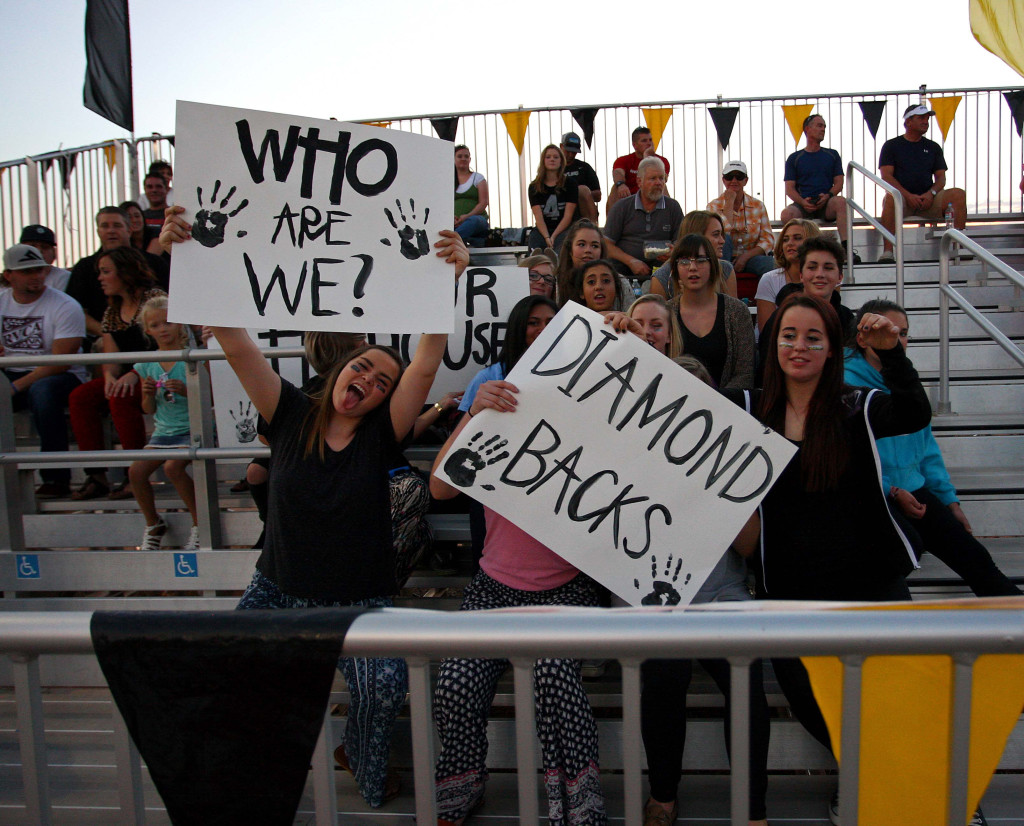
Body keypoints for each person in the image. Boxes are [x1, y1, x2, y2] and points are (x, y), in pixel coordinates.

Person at [162, 204, 469, 809]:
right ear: (337, 372)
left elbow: (429, 356)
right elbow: (232, 337)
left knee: (383, 691)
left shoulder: (384, 433)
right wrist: (187, 254)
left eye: (385, 381)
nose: (373, 380)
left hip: (359, 598)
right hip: (276, 589)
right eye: (364, 367)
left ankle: (363, 760)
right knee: (233, 686)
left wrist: (447, 280)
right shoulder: (288, 413)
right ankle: (241, 784)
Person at [725, 293, 932, 824]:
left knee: (897, 701)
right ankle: (866, 774)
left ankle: (931, 794)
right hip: (790, 593)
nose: (799, 346)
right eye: (788, 335)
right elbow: (664, 411)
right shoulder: (745, 408)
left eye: (813, 337)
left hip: (870, 584)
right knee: (815, 706)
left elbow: (914, 410)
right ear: (773, 345)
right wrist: (627, 341)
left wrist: (892, 353)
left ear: (831, 348)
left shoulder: (854, 404)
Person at [430, 293, 607, 826]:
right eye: (532, 323)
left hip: (565, 589)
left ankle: (576, 808)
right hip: (492, 587)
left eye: (552, 325)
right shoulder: (497, 395)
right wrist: (474, 413)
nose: (541, 330)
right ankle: (460, 790)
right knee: (454, 687)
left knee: (557, 687)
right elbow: (439, 489)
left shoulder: (592, 404)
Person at [641, 352, 769, 826]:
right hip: (657, 601)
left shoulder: (731, 461)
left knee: (746, 678)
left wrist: (715, 488)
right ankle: (664, 794)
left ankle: (752, 808)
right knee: (662, 677)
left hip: (723, 595)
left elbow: (751, 543)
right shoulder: (634, 459)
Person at [844, 299, 1021, 598]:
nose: (897, 339)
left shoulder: (907, 383)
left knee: (976, 559)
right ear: (862, 337)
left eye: (903, 333)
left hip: (916, 492)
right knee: (893, 568)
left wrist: (949, 500)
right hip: (874, 498)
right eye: (887, 330)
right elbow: (848, 457)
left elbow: (927, 449)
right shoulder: (845, 384)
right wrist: (893, 491)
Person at [68, 247, 166, 501]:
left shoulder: (154, 299)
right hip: (129, 376)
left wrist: (136, 372)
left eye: (106, 272)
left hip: (159, 373)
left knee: (121, 398)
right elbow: (111, 357)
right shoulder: (113, 309)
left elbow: (168, 347)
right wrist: (109, 375)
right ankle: (96, 475)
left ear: (125, 272)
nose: (100, 278)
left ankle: (135, 474)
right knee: (82, 397)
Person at [0, 244, 88, 499]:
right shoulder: (2, 301)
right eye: (28, 271)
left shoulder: (65, 305)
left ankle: (56, 478)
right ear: (9, 275)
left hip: (60, 375)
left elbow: (61, 361)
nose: (37, 276)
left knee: (43, 393)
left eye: (40, 270)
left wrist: (15, 386)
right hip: (11, 372)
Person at [129, 295, 200, 551]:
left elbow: (208, 398)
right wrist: (147, 394)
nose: (163, 329)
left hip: (193, 429)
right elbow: (146, 408)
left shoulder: (192, 357)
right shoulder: (146, 364)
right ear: (148, 330)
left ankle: (199, 522)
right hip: (163, 433)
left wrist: (184, 390)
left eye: (168, 323)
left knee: (173, 468)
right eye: (156, 325)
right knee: (136, 472)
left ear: (180, 324)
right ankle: (153, 523)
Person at [877, 104, 967, 263]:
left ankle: (959, 248)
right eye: (921, 118)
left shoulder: (933, 147)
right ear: (908, 122)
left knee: (958, 194)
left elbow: (941, 178)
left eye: (927, 118)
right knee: (891, 198)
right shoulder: (892, 145)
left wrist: (931, 194)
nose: (926, 121)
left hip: (929, 200)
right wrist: (907, 195)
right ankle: (888, 252)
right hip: (902, 200)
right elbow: (886, 176)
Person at [757, 236, 852, 384]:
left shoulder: (847, 319)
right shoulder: (780, 318)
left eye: (828, 268)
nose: (819, 274)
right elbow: (767, 369)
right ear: (801, 275)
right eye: (812, 267)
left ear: (840, 276)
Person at [666, 234, 755, 389]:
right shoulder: (666, 312)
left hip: (727, 405)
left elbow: (745, 373)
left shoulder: (737, 311)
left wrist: (717, 402)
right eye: (684, 261)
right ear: (675, 268)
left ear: (712, 265)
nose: (692, 267)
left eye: (700, 260)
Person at [67, 206, 169, 337]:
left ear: (129, 229)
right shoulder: (84, 267)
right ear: (98, 231)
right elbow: (77, 310)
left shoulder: (155, 263)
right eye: (105, 226)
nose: (111, 231)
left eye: (117, 225)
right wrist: (108, 335)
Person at [780, 115, 858, 261]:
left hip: (826, 202)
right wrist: (803, 202)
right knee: (786, 214)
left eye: (824, 126)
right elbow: (789, 189)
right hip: (803, 204)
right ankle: (796, 251)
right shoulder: (794, 158)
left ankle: (847, 249)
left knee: (841, 202)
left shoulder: (832, 154)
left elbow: (839, 183)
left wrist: (828, 195)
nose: (823, 129)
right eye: (819, 125)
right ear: (807, 129)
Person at [604, 157, 683, 281]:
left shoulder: (673, 207)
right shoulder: (622, 207)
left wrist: (673, 252)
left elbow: (681, 241)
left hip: (663, 271)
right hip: (623, 272)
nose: (658, 183)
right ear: (639, 182)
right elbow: (606, 245)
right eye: (653, 178)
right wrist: (631, 261)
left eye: (661, 178)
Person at [707, 161, 776, 279]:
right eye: (729, 177)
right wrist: (729, 202)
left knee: (771, 264)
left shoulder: (758, 205)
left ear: (746, 180)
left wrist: (745, 257)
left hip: (750, 258)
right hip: (722, 258)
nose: (734, 181)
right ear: (723, 180)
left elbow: (767, 239)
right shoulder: (713, 206)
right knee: (725, 239)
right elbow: (722, 233)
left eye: (739, 177)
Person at [753, 218, 821, 333]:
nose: (789, 243)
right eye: (785, 240)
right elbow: (766, 331)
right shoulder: (769, 280)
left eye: (797, 238)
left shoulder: (826, 277)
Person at [650, 210, 738, 299]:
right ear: (696, 237)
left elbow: (733, 311)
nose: (722, 241)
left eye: (722, 235)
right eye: (716, 235)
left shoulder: (725, 270)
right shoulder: (663, 277)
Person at [555, 219, 633, 310]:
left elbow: (631, 318)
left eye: (594, 246)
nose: (588, 250)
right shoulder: (557, 283)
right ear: (570, 250)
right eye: (581, 244)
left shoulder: (621, 282)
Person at [607, 126, 671, 212]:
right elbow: (617, 173)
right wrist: (620, 184)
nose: (649, 143)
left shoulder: (662, 161)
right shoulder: (624, 160)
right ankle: (612, 222)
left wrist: (647, 158)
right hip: (629, 197)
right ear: (635, 145)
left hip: (652, 194)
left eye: (650, 140)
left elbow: (664, 178)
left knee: (663, 186)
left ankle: (667, 216)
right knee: (615, 187)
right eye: (644, 141)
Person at [528, 145, 578, 252]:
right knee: (535, 241)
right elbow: (538, 217)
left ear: (561, 161)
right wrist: (547, 237)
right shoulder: (534, 186)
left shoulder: (570, 184)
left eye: (556, 157)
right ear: (543, 161)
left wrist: (553, 236)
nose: (552, 159)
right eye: (548, 157)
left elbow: (568, 216)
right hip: (543, 229)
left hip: (563, 228)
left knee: (562, 244)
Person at [15, 225, 70, 292]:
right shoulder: (9, 279)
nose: (39, 250)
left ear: (53, 252)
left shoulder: (64, 278)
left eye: (45, 247)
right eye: (33, 246)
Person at [561, 131, 602, 222]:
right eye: (568, 151)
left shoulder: (584, 167)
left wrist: (582, 193)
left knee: (582, 189)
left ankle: (591, 229)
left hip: (581, 210)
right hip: (560, 209)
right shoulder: (554, 169)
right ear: (561, 146)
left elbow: (598, 195)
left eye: (574, 152)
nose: (571, 155)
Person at [453, 145, 489, 246]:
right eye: (460, 156)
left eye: (466, 156)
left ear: (470, 159)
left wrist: (467, 216)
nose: (463, 159)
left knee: (473, 221)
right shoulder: (448, 179)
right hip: (454, 222)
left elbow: (483, 203)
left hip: (476, 220)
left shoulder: (478, 178)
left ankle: (453, 239)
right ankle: (459, 239)